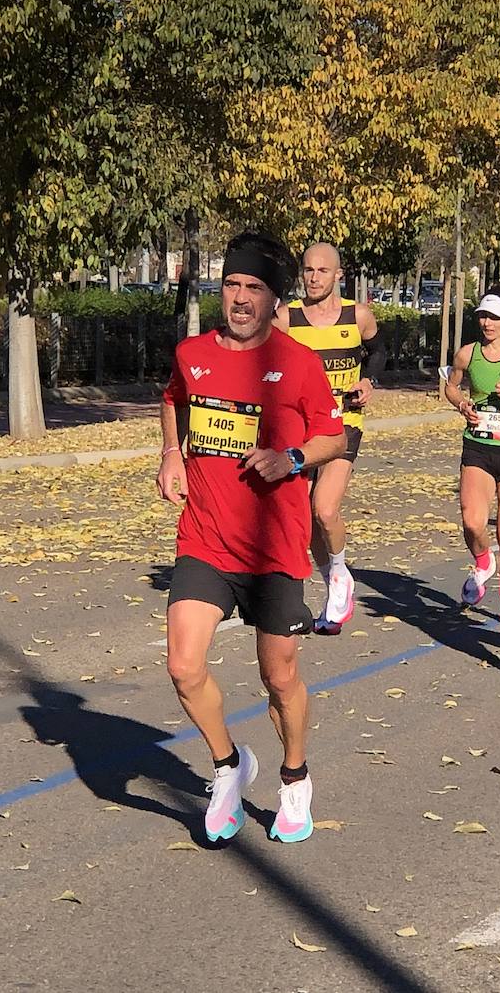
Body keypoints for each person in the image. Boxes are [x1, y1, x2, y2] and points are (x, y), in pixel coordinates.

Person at [158, 230, 345, 845]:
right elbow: (174, 399)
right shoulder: (192, 353)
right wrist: (170, 455)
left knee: (280, 676)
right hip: (206, 539)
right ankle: (227, 765)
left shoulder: (298, 362)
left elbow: (333, 438)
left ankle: (295, 777)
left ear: (273, 299)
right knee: (184, 667)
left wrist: (292, 458)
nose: (239, 298)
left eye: (253, 288)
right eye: (232, 285)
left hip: (276, 548)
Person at [276, 242, 384, 635]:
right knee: (303, 519)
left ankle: (339, 571)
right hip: (301, 427)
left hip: (344, 422)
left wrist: (370, 380)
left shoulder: (359, 315)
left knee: (324, 508)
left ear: (339, 275)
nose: (313, 278)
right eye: (307, 270)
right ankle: (334, 580)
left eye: (322, 271)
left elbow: (378, 350)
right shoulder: (287, 318)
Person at [442, 284, 500, 623]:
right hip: (478, 445)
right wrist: (462, 404)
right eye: (483, 315)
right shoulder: (468, 353)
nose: (487, 323)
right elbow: (451, 386)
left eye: (494, 317)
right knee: (472, 521)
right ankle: (483, 561)